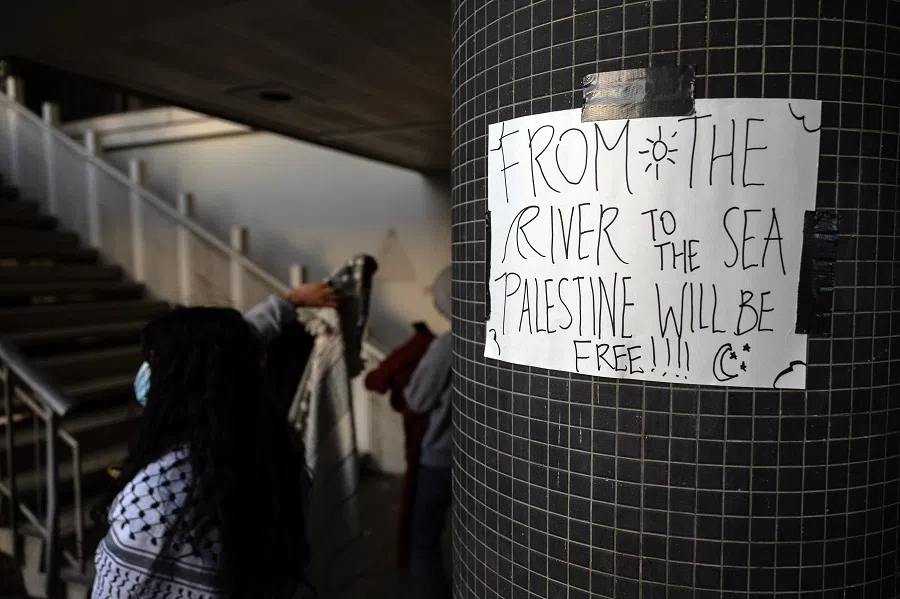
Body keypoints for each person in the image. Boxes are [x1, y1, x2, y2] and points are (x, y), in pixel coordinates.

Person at [91, 284, 336, 599]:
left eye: (154, 363)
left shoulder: (154, 497)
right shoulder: (277, 458)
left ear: (178, 383)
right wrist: (287, 302)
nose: (145, 374)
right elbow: (223, 354)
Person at [404, 266, 453, 599]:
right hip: (488, 461)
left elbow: (418, 400)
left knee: (423, 538)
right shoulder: (503, 339)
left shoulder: (447, 345)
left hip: (440, 458)